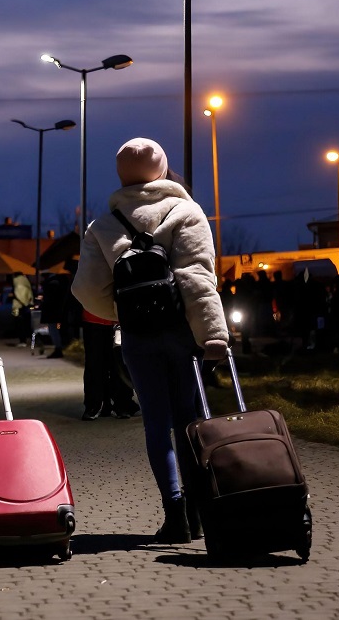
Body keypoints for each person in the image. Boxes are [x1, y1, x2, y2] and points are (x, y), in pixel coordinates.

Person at [71, 137, 229, 544]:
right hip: (182, 334)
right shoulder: (186, 212)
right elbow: (197, 277)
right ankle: (200, 511)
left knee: (156, 423)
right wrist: (213, 334)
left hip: (138, 337)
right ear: (162, 168)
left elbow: (86, 290)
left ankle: (174, 514)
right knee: (190, 421)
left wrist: (119, 313)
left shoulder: (102, 225)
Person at [39, 271, 70, 359]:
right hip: (59, 310)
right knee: (57, 329)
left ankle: (58, 348)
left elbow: (50, 299)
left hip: (53, 311)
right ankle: (60, 347)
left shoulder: (52, 283)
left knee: (53, 329)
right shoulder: (60, 281)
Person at [9, 270, 34, 346]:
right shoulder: (26, 281)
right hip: (27, 305)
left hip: (18, 305)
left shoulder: (16, 281)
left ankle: (22, 341)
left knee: (19, 323)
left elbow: (18, 294)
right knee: (27, 323)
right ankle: (31, 340)